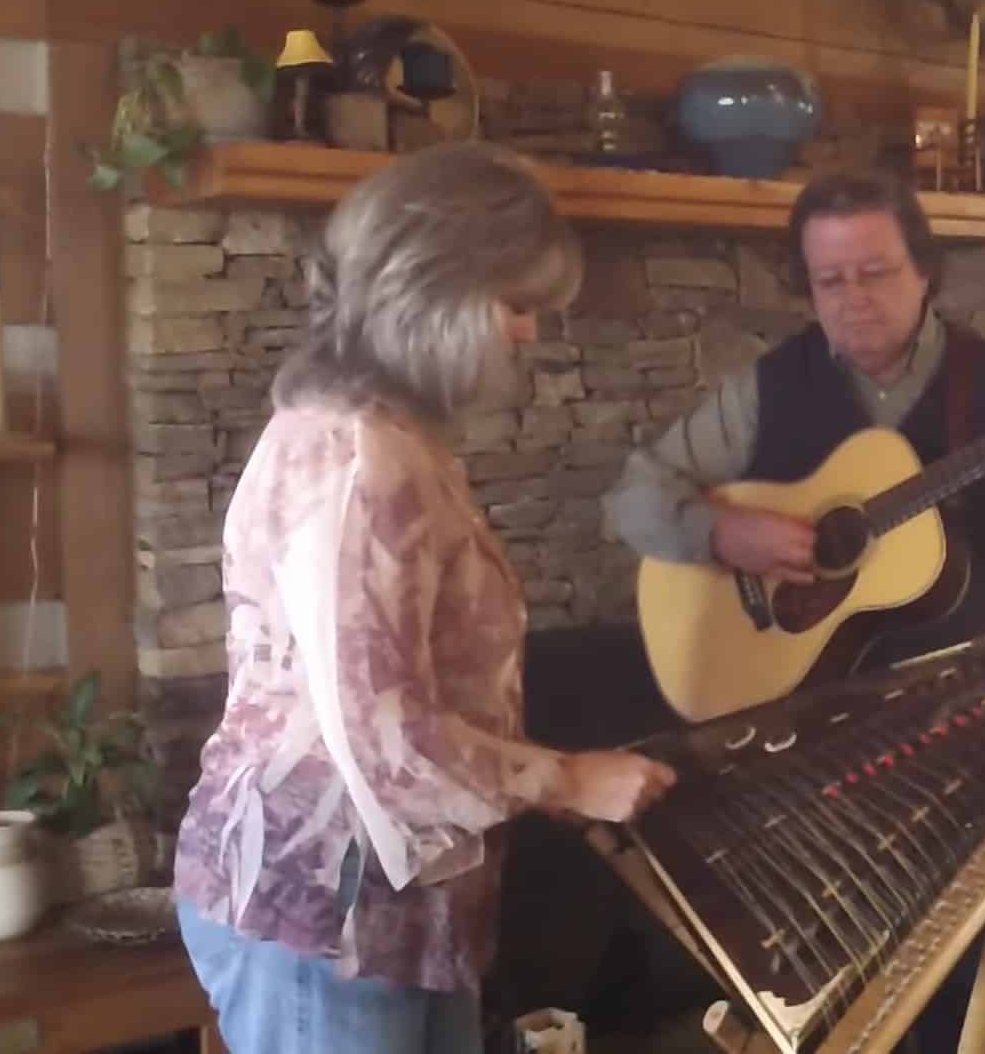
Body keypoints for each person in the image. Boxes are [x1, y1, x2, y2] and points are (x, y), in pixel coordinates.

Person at [602, 170, 985, 1052]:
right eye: (830, 281)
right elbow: (632, 499)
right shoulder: (768, 388)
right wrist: (721, 531)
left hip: (962, 739)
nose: (853, 299)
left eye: (876, 272)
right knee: (824, 984)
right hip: (799, 744)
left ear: (923, 271)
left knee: (968, 983)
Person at [173, 142, 677, 1054]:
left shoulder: (375, 434)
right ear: (432, 292)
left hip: (388, 912)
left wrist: (527, 781)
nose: (528, 333)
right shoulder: (359, 459)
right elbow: (378, 731)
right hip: (327, 919)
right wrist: (566, 776)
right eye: (515, 305)